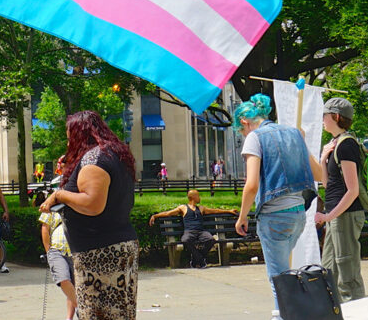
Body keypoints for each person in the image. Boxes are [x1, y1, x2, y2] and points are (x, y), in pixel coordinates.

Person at [39, 110, 138, 319]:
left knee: (97, 314)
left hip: (100, 255)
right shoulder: (112, 155)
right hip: (115, 248)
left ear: (79, 135)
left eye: (69, 138)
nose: (68, 143)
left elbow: (93, 204)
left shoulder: (94, 159)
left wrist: (60, 195)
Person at [233, 94, 322, 320]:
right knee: (285, 274)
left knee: (279, 279)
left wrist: (242, 216)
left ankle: (282, 317)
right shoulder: (293, 134)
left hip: (274, 216)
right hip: (298, 214)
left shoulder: (254, 138)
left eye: (241, 131)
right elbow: (320, 174)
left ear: (245, 121)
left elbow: (251, 185)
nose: (243, 136)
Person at [314, 97, 366, 302]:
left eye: (324, 116)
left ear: (335, 116)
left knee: (347, 272)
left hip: (347, 214)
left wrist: (329, 216)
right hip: (336, 215)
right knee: (329, 269)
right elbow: (330, 186)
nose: (322, 121)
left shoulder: (347, 145)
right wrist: (323, 159)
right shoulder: (335, 146)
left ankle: (357, 309)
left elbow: (353, 190)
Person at [148, 190, 237, 268]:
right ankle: (200, 259)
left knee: (210, 239)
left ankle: (196, 259)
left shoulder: (201, 208)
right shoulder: (183, 208)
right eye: (198, 195)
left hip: (201, 232)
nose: (200, 198)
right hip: (189, 232)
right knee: (185, 240)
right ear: (193, 197)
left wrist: (229, 211)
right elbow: (168, 213)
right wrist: (155, 216)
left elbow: (215, 211)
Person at [39, 209, 76, 320]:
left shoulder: (79, 201)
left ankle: (69, 318)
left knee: (74, 287)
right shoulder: (53, 203)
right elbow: (45, 227)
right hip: (57, 249)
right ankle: (82, 309)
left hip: (76, 251)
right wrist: (48, 251)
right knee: (63, 279)